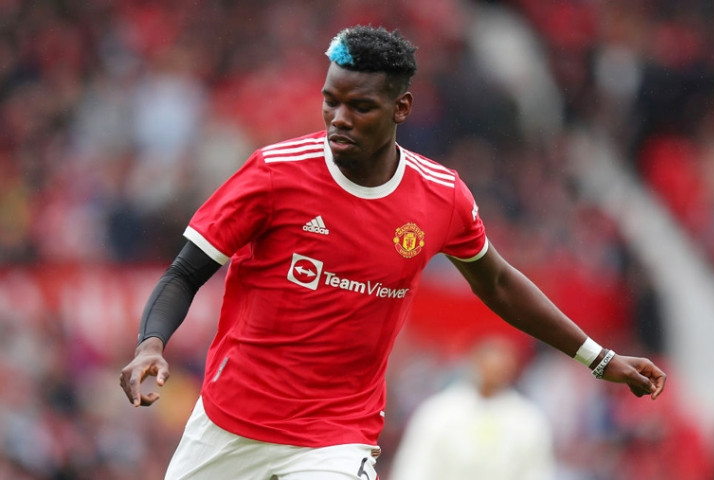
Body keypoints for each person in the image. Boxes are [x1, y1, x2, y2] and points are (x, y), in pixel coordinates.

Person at [119, 25, 666, 480]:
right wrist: (150, 345)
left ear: (401, 107)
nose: (339, 118)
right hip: (228, 425)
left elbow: (498, 282)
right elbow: (184, 273)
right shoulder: (273, 174)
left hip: (335, 440)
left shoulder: (442, 196)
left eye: (360, 107)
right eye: (331, 102)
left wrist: (599, 359)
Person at [389, 336, 555, 480]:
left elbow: (536, 472)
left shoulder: (528, 420)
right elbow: (415, 466)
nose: (495, 371)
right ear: (474, 362)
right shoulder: (440, 412)